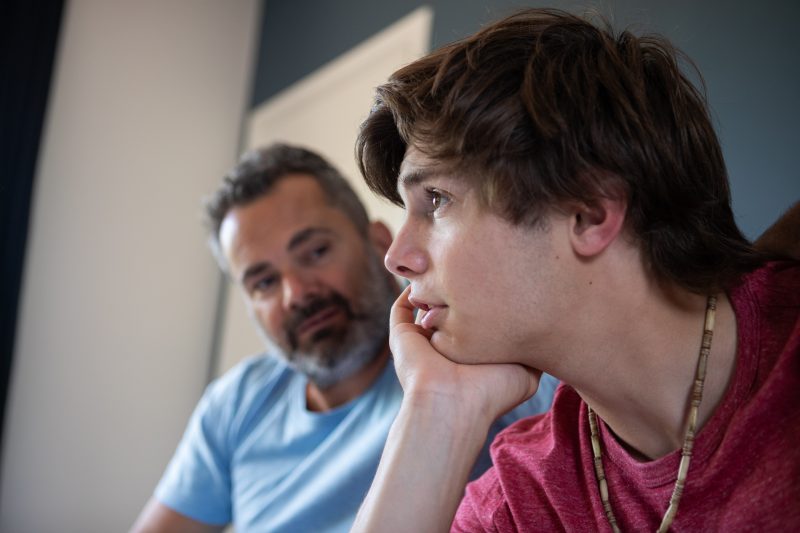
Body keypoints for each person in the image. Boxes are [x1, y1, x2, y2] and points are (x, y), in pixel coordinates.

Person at [351, 8, 800, 532]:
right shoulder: (521, 502)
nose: (396, 257)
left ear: (589, 212)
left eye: (437, 200)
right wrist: (437, 410)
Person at [130, 144, 557, 532]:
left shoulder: (475, 358)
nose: (296, 293)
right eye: (263, 282)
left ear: (379, 243)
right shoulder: (237, 402)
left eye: (315, 252)